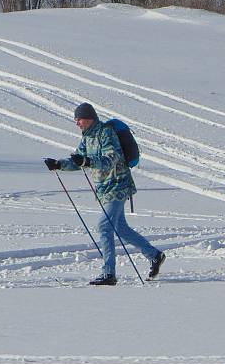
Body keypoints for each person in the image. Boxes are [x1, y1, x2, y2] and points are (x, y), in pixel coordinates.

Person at [44, 103, 165, 285]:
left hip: (118, 185)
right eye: (76, 120)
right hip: (105, 189)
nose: (77, 123)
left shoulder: (105, 133)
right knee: (121, 229)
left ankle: (109, 273)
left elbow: (111, 158)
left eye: (79, 119)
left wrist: (87, 161)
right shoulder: (87, 137)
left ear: (89, 118)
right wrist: (59, 164)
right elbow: (79, 161)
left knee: (104, 227)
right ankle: (154, 255)